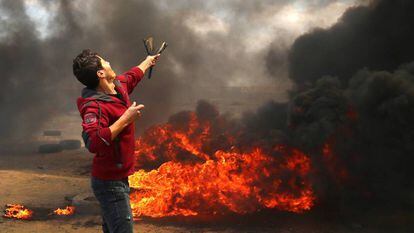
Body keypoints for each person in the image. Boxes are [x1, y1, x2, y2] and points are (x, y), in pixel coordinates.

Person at [73, 49, 159, 233]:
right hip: (109, 183)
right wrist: (125, 119)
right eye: (105, 61)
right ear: (100, 73)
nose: (109, 62)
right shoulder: (94, 106)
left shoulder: (117, 87)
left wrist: (148, 61)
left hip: (120, 178)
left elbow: (132, 76)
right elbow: (93, 142)